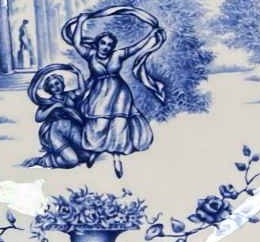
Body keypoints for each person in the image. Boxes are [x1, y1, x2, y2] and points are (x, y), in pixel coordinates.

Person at [73, 27, 164, 177]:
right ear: (97, 43)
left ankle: (117, 157)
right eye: (103, 43)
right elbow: (76, 42)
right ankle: (95, 150)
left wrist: (151, 35)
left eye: (110, 44)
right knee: (98, 124)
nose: (106, 47)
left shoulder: (118, 55)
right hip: (99, 92)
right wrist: (81, 20)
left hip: (120, 92)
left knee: (119, 124)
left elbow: (136, 47)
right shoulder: (90, 55)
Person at [23, 73, 87, 168]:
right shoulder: (48, 102)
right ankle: (43, 160)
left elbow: (82, 90)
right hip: (57, 134)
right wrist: (54, 106)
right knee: (72, 161)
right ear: (49, 89)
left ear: (62, 83)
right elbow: (38, 117)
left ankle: (64, 154)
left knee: (87, 155)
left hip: (74, 130)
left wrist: (78, 74)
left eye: (57, 83)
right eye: (52, 86)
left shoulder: (69, 95)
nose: (55, 87)